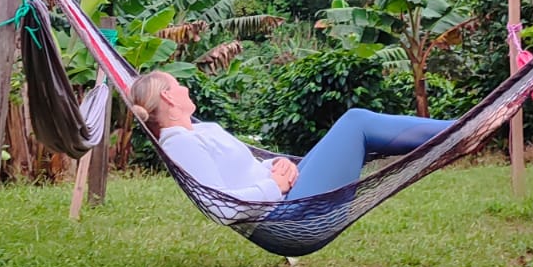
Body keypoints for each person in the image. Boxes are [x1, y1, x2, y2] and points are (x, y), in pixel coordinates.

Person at [128, 70, 454, 221]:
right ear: (169, 97)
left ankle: (457, 130)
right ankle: (457, 130)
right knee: (356, 123)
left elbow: (239, 173)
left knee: (361, 129)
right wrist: (273, 185)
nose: (184, 87)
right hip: (287, 216)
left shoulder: (195, 133)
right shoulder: (180, 144)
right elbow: (223, 207)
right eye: (177, 84)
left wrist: (275, 167)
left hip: (287, 198)